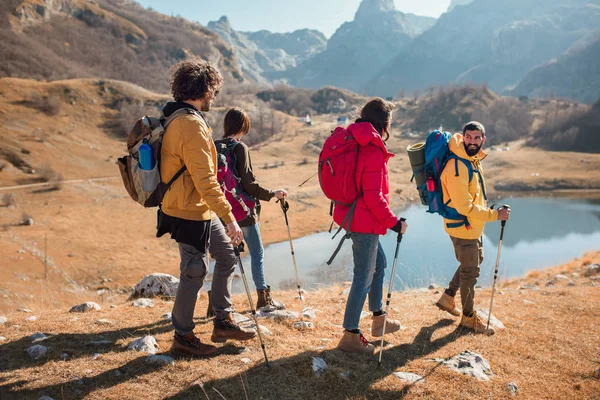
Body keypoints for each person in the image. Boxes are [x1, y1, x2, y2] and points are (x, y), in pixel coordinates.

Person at [157, 57, 256, 357]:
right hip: (187, 210)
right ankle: (183, 338)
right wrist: (230, 217)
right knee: (194, 271)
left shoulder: (181, 117)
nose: (214, 95)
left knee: (226, 256)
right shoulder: (189, 124)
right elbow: (206, 180)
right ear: (202, 88)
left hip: (198, 207)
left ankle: (222, 321)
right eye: (213, 89)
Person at [334, 98, 408, 355]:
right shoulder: (372, 147)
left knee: (379, 265)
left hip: (353, 215)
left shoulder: (354, 137)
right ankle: (350, 335)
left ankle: (378, 319)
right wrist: (394, 223)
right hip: (363, 219)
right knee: (363, 275)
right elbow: (373, 195)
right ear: (384, 122)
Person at [434, 121, 511, 334]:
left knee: (476, 261)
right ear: (463, 136)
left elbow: (476, 196)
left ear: (483, 139)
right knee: (470, 271)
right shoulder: (457, 166)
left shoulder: (472, 160)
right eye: (468, 137)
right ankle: (468, 318)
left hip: (472, 225)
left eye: (477, 138)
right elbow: (464, 206)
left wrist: (488, 212)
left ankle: (448, 297)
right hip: (462, 227)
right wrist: (495, 215)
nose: (472, 141)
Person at [213, 107, 288, 310]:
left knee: (225, 258)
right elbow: (250, 185)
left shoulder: (214, 146)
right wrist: (273, 194)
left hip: (222, 213)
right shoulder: (239, 148)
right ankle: (263, 298)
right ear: (244, 126)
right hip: (243, 212)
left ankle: (216, 304)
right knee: (257, 253)